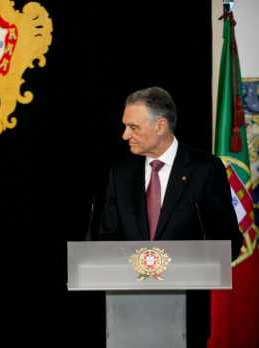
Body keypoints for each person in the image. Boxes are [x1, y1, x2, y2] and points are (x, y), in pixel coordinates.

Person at [99, 87, 243, 348]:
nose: (125, 135)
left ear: (160, 125)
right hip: (128, 316)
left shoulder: (205, 169)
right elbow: (105, 240)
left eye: (133, 127)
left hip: (187, 317)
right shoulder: (120, 173)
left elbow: (228, 243)